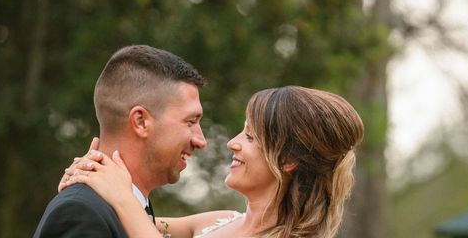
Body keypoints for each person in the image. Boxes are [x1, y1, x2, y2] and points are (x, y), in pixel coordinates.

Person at [61, 86, 365, 238]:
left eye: (250, 136)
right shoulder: (217, 222)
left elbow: (133, 216)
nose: (232, 142)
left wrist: (119, 194)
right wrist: (96, 174)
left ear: (288, 160)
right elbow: (141, 225)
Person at [33, 45, 207, 238]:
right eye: (190, 121)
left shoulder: (127, 209)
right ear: (140, 121)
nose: (201, 140)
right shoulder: (80, 212)